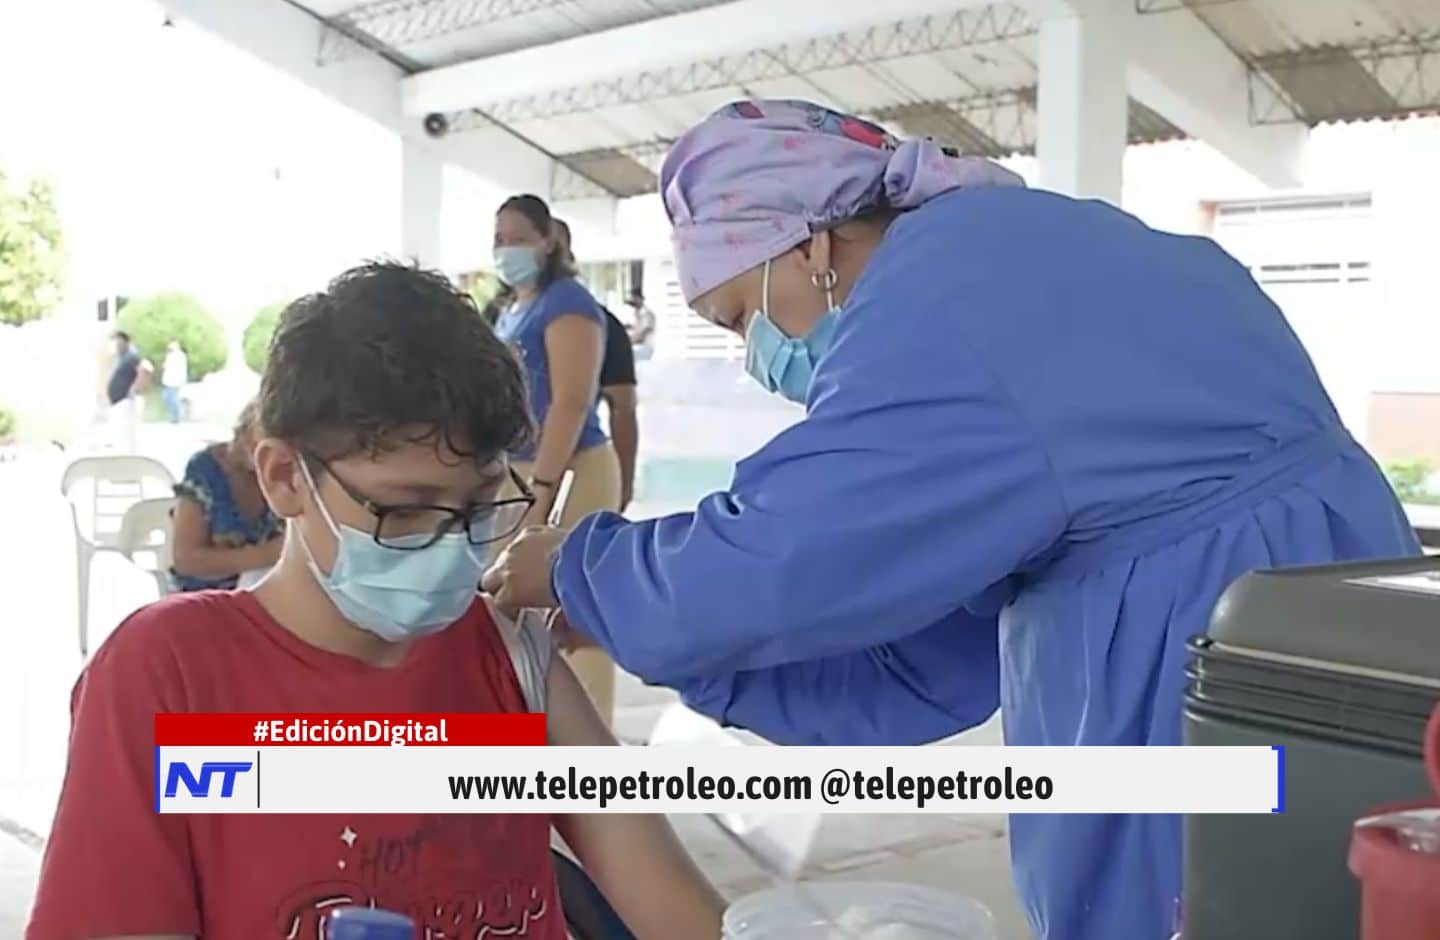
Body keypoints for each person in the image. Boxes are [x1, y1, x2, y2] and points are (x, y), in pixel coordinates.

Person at [482, 101, 1421, 940]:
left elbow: (788, 553)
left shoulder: (945, 296)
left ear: (810, 244)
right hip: (1296, 611)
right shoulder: (1015, 252)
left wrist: (582, 568)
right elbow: (922, 657)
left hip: (1219, 639)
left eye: (737, 319)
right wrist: (686, 652)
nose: (753, 358)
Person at [27, 262, 724, 940]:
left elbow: (684, 914)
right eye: (406, 510)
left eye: (481, 507)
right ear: (283, 479)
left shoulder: (508, 658)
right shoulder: (168, 673)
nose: (454, 547)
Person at [491, 195, 623, 724]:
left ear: (548, 241)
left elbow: (570, 401)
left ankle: (589, 742)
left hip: (571, 468)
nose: (505, 248)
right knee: (509, 605)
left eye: (517, 237)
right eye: (498, 238)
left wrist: (541, 488)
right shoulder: (510, 309)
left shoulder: (568, 302)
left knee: (573, 606)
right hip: (519, 469)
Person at [553, 218, 640, 514]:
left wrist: (625, 484)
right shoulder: (504, 320)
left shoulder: (598, 324)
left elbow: (623, 408)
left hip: (581, 465)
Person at [169, 399, 283, 592]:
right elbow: (185, 559)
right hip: (207, 597)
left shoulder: (278, 473)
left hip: (265, 591)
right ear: (243, 431)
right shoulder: (205, 471)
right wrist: (264, 555)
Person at [105, 330, 151, 452]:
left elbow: (146, 369)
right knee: (120, 432)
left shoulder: (133, 356)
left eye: (119, 343)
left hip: (125, 401)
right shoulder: (122, 358)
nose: (117, 346)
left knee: (126, 432)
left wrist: (135, 388)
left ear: (126, 343)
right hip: (119, 401)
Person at [161, 339, 189, 423]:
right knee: (167, 398)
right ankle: (174, 416)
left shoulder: (180, 356)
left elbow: (181, 369)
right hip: (169, 380)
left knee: (172, 399)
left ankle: (176, 417)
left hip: (175, 380)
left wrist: (182, 380)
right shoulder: (170, 356)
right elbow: (165, 366)